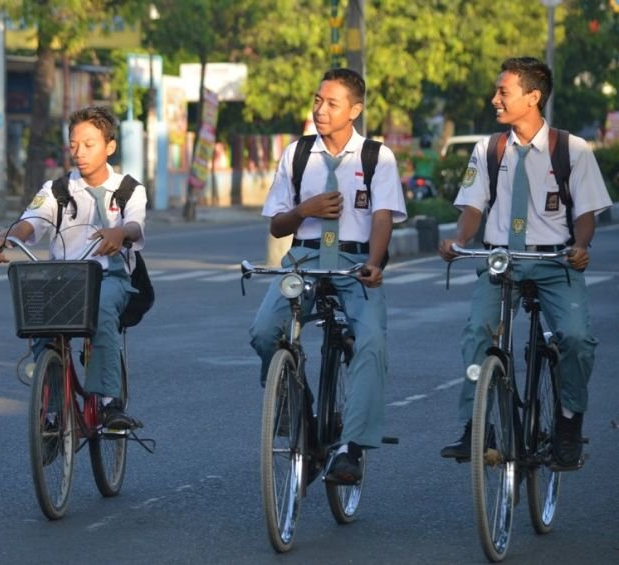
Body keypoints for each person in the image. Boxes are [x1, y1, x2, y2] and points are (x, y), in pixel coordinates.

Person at [438, 57, 612, 468]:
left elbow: (586, 212)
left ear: (532, 97)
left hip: (555, 261)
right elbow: (473, 206)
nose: (494, 99)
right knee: (478, 332)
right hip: (500, 260)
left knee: (574, 338)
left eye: (504, 91)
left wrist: (581, 246)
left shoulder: (571, 149)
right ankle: (476, 427)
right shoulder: (489, 148)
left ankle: (569, 421)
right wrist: (460, 241)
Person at [249, 68, 408, 484]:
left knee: (371, 341)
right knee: (265, 331)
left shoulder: (377, 157)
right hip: (304, 260)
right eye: (317, 100)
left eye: (331, 103)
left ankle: (351, 448)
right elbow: (277, 227)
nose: (320, 109)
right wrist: (306, 210)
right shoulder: (297, 154)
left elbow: (383, 217)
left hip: (356, 263)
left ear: (354, 110)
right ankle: (296, 412)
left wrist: (375, 262)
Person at [0, 105, 147, 428]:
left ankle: (109, 402)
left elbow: (136, 227)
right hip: (63, 280)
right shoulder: (56, 191)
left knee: (101, 310)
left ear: (109, 146)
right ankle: (55, 409)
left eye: (89, 144)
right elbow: (29, 224)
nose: (79, 152)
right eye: (74, 144)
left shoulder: (129, 189)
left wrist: (120, 232)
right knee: (39, 318)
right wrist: (3, 237)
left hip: (109, 278)